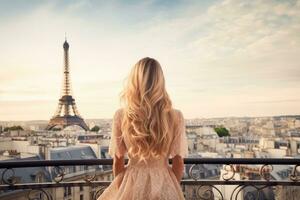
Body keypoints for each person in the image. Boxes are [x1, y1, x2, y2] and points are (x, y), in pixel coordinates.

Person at [98, 57, 188, 200]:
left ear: (134, 81)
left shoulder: (121, 115)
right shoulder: (175, 116)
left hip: (131, 182)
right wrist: (170, 186)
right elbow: (178, 161)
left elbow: (118, 160)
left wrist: (122, 188)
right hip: (164, 180)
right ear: (161, 81)